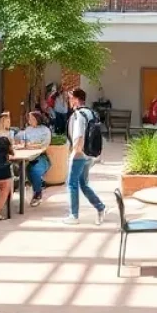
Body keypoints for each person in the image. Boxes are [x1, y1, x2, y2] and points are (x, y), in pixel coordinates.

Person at [63, 88, 107, 226]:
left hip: (79, 154)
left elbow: (79, 136)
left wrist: (74, 154)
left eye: (70, 98)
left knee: (72, 183)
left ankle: (73, 215)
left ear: (76, 99)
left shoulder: (78, 115)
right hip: (89, 153)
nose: (68, 101)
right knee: (83, 183)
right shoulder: (91, 113)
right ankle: (100, 207)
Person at [18, 111, 52, 207]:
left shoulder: (45, 130)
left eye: (32, 118)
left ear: (38, 119)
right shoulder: (27, 129)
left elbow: (44, 145)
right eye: (29, 118)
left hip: (41, 157)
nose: (30, 120)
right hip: (27, 157)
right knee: (22, 170)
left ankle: (37, 194)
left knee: (34, 171)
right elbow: (22, 141)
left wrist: (32, 146)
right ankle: (39, 184)